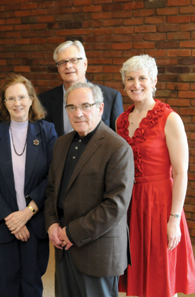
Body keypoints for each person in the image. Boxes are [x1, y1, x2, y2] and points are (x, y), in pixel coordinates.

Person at [44, 82, 134, 297]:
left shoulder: (117, 147)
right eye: (71, 107)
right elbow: (51, 190)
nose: (78, 113)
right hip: (64, 248)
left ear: (100, 108)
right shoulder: (62, 143)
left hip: (98, 250)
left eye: (85, 106)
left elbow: (115, 205)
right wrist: (52, 225)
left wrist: (72, 232)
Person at [116, 55, 195, 297]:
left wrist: (174, 219)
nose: (135, 84)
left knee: (162, 275)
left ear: (154, 81)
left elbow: (181, 172)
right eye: (130, 79)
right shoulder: (121, 120)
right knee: (136, 270)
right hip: (131, 202)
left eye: (142, 78)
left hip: (161, 204)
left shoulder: (169, 118)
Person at [0, 74, 57, 296]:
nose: (17, 103)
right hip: (1, 227)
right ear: (4, 103)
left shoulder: (47, 131)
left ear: (31, 99)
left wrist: (27, 213)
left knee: (32, 285)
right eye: (11, 98)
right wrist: (11, 218)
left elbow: (52, 177)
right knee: (4, 287)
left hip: (34, 224)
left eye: (22, 97)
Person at [39, 40, 123, 136]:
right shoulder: (44, 100)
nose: (68, 66)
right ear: (58, 68)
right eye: (62, 62)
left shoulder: (111, 97)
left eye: (74, 60)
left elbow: (118, 139)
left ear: (85, 64)